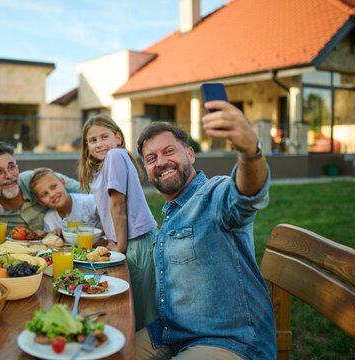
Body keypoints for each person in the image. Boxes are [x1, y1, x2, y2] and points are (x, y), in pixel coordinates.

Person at [135, 101, 276, 359]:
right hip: (172, 334)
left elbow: (245, 196)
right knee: (106, 351)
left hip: (230, 341)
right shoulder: (173, 210)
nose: (161, 162)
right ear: (146, 170)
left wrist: (249, 150)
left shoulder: (212, 193)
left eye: (169, 152)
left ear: (190, 154)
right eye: (151, 158)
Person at [79, 114, 158, 331]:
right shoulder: (101, 169)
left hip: (136, 242)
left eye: (104, 136)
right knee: (132, 306)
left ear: (118, 138)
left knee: (143, 310)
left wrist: (120, 245)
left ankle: (152, 351)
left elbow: (118, 205)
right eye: (92, 140)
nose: (99, 144)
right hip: (125, 241)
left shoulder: (114, 156)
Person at [28, 167, 101, 236]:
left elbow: (110, 223)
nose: (52, 194)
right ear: (41, 202)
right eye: (45, 194)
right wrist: (57, 235)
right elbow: (52, 245)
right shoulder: (49, 220)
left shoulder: (88, 201)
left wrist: (95, 233)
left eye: (54, 187)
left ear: (63, 183)